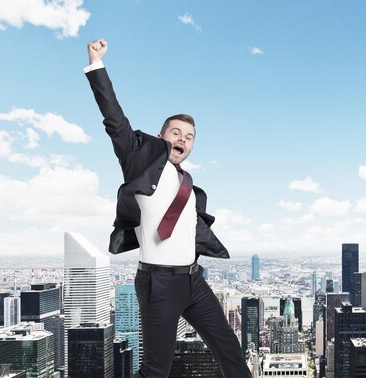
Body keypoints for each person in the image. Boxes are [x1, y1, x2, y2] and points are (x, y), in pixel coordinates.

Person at [84, 38, 251, 377]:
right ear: (161, 139)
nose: (183, 139)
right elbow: (114, 119)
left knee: (230, 351)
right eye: (176, 132)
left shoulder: (189, 185)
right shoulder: (140, 164)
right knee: (156, 370)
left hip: (194, 282)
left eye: (189, 137)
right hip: (158, 283)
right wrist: (96, 64)